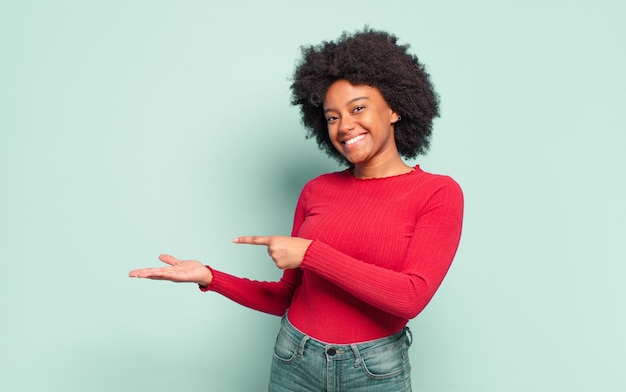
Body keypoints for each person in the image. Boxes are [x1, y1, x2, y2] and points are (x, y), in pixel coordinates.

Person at [129, 27, 463, 392]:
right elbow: (287, 297)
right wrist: (209, 277)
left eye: (358, 108)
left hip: (373, 369)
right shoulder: (317, 190)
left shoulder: (437, 193)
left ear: (396, 108)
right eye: (333, 116)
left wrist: (312, 253)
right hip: (294, 357)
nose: (344, 126)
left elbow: (410, 297)